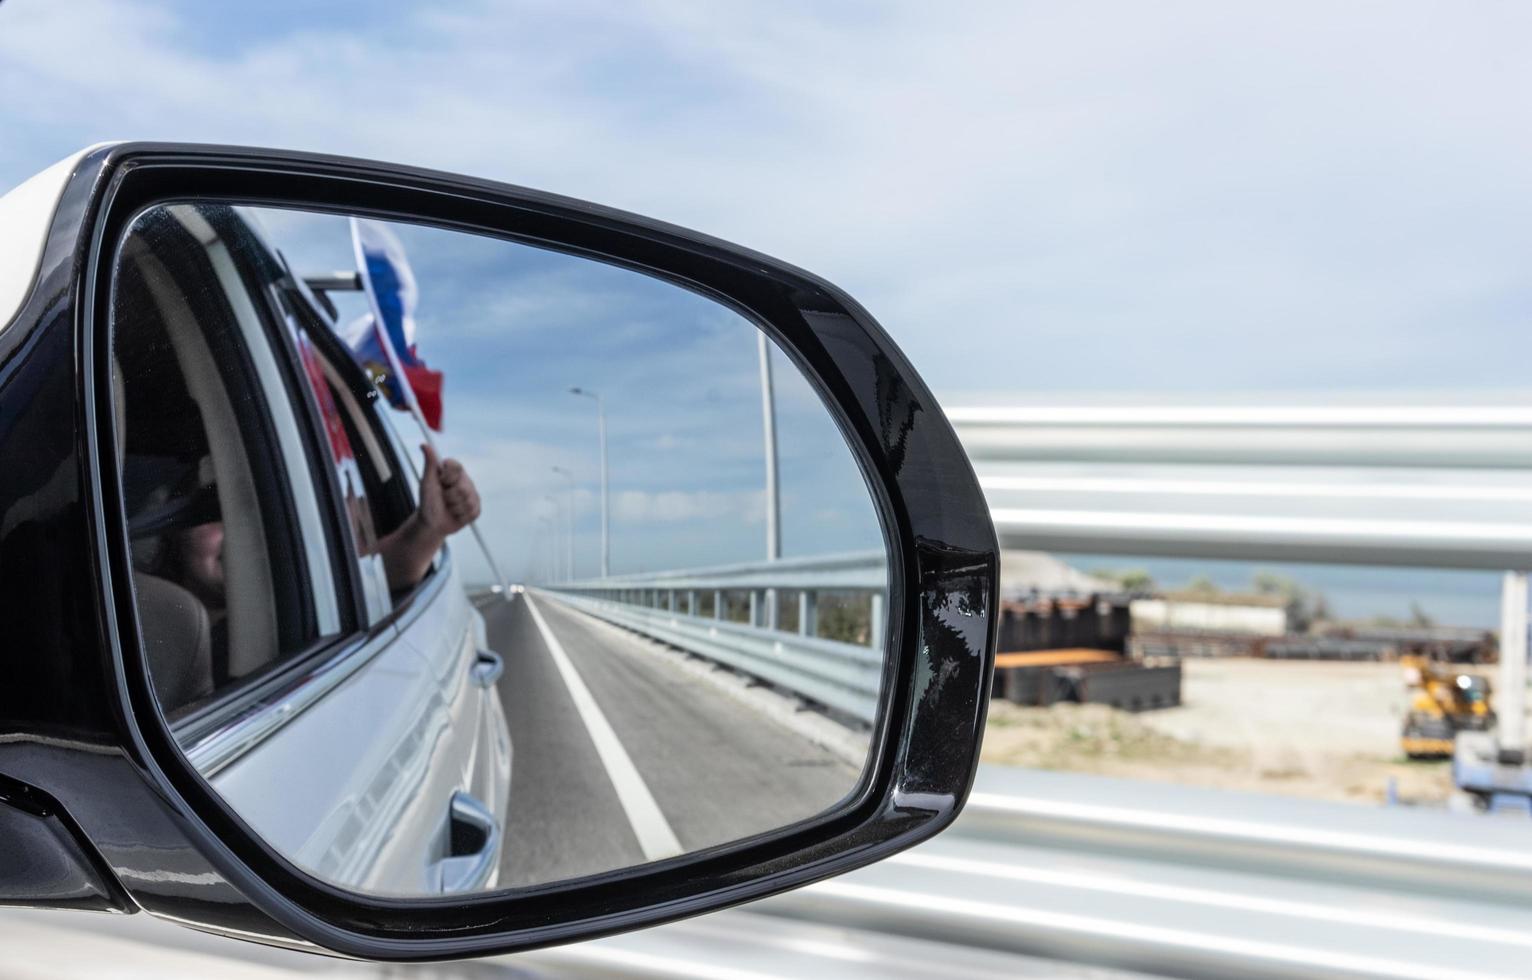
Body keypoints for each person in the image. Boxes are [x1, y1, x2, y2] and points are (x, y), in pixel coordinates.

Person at [161, 443, 481, 618]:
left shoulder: (299, 594)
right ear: (176, 533)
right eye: (215, 511)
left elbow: (375, 576)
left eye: (254, 515)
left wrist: (429, 529)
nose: (239, 531)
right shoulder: (146, 620)